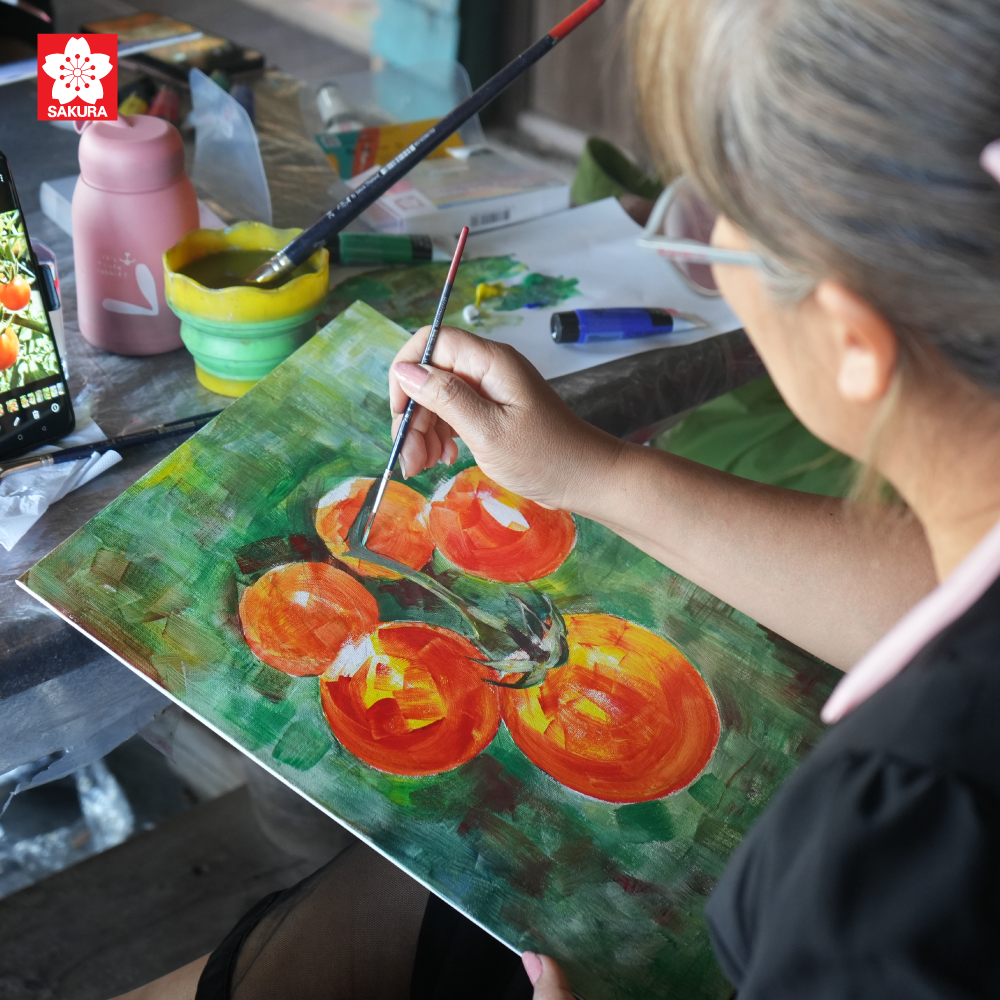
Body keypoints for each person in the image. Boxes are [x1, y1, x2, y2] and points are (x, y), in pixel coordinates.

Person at [117, 0, 1000, 996]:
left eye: (720, 229)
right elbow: (934, 592)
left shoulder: (902, 848)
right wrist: (587, 472)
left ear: (851, 340)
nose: (700, 249)